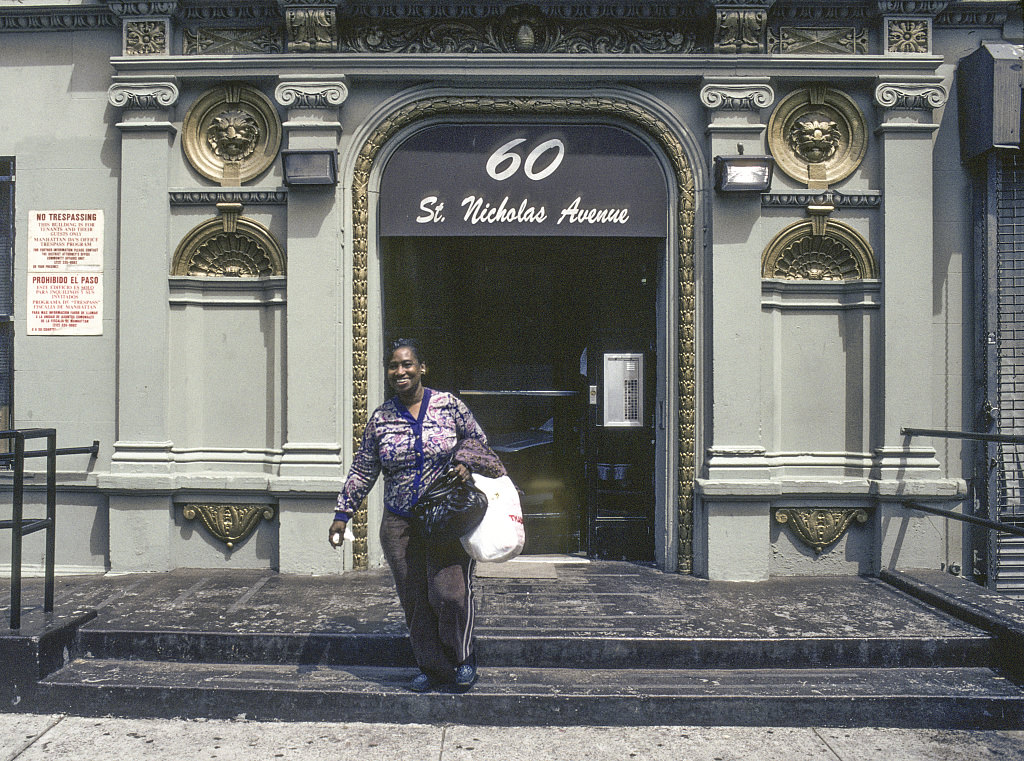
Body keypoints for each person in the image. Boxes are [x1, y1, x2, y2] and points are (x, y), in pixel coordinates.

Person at [328, 338, 503, 693]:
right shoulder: (381, 418)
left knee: (450, 593)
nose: (400, 372)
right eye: (393, 366)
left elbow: (478, 441)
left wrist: (464, 463)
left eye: (407, 364)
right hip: (400, 524)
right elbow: (364, 469)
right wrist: (342, 514)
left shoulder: (448, 406)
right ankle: (432, 666)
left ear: (422, 367)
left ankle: (462, 657)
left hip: (446, 518)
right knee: (415, 600)